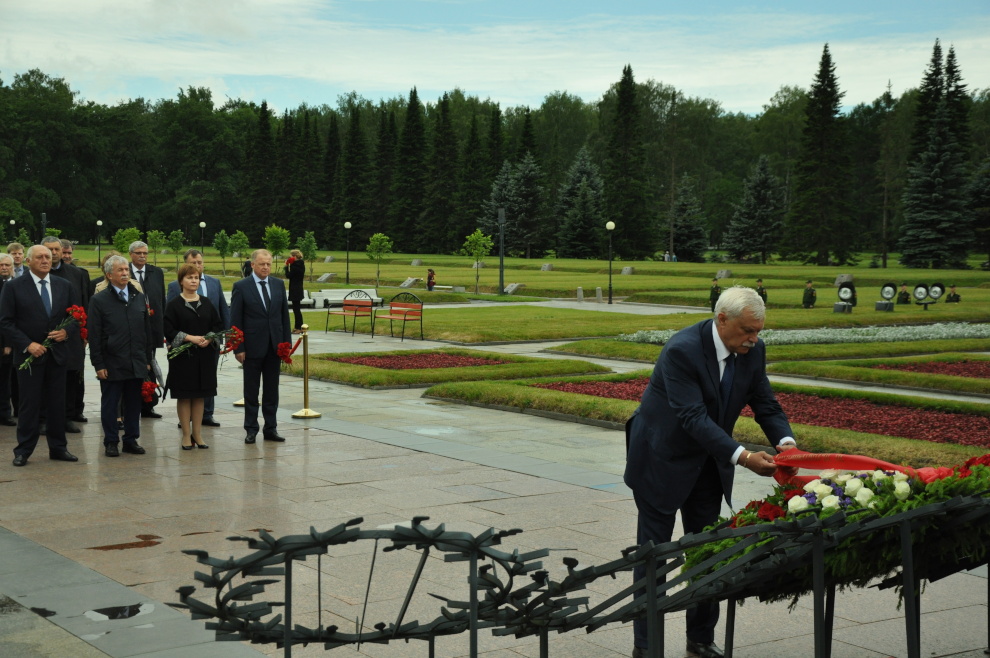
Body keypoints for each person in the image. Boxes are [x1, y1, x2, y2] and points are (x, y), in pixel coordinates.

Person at [624, 286, 795, 658]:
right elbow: (693, 418)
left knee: (707, 553)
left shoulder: (754, 351)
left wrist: (787, 444)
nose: (754, 339)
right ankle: (646, 646)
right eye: (747, 330)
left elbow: (765, 402)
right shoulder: (682, 350)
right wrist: (744, 457)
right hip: (660, 461)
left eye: (758, 331)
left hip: (708, 464)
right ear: (722, 319)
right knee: (653, 557)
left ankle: (700, 640)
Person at [0, 244, 81, 467]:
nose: (46, 260)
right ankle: (23, 450)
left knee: (57, 404)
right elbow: (5, 322)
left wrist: (66, 332)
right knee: (29, 404)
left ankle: (58, 447)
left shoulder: (63, 285)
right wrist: (27, 344)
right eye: (40, 257)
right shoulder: (14, 287)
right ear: (28, 261)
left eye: (47, 256)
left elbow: (76, 316)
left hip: (57, 356)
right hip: (29, 358)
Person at [88, 254, 152, 457]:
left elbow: (146, 331)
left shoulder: (138, 297)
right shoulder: (99, 300)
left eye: (126, 270)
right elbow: (94, 334)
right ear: (109, 275)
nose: (125, 273)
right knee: (111, 404)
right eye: (120, 270)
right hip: (112, 361)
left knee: (133, 403)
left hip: (135, 360)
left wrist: (147, 359)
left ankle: (131, 440)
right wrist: (98, 364)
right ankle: (111, 441)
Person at [230, 249, 291, 445]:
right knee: (251, 391)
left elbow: (284, 317)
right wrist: (238, 347)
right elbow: (235, 320)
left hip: (274, 347)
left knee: (272, 390)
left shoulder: (278, 284)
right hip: (252, 348)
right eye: (262, 264)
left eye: (268, 264)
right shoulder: (241, 287)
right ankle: (251, 428)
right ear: (253, 265)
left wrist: (286, 344)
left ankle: (271, 428)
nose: (266, 267)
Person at [166, 249, 230, 427]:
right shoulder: (174, 289)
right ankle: (187, 422)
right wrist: (182, 340)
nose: (197, 266)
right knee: (187, 388)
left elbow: (222, 312)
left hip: (208, 347)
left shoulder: (214, 283)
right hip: (185, 350)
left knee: (206, 383)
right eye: (193, 263)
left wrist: (216, 337)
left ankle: (206, 415)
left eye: (200, 263)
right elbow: (169, 321)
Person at [44, 236, 87, 433]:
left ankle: (67, 417)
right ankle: (44, 418)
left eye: (56, 249)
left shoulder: (76, 274)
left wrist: (82, 332)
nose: (53, 253)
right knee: (44, 378)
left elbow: (83, 304)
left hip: (70, 334)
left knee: (70, 377)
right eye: (49, 250)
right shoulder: (34, 273)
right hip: (42, 336)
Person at [128, 241, 165, 418]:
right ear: (131, 255)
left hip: (152, 328)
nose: (142, 256)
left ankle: (148, 405)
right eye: (138, 253)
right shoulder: (125, 271)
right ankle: (129, 406)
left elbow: (162, 300)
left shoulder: (156, 272)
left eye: (145, 253)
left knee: (150, 365)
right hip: (132, 328)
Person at [0, 254, 16, 426]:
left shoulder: (15, 286)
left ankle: (5, 413)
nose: (4, 268)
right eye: (1, 265)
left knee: (5, 380)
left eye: (7, 265)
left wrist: (8, 343)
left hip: (7, 342)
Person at [284, 249, 306, 334]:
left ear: (295, 256)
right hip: (298, 288)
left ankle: (299, 327)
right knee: (296, 309)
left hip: (295, 289)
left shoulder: (295, 266)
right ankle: (297, 326)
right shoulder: (301, 264)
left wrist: (287, 266)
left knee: (296, 310)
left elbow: (289, 275)